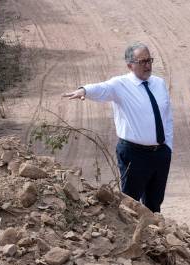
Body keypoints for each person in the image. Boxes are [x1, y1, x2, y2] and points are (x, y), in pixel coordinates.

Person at [62, 43, 173, 213]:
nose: (148, 65)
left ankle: (152, 237)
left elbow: (167, 117)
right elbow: (102, 88)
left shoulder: (159, 83)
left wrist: (168, 147)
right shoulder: (120, 84)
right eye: (142, 61)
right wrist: (84, 90)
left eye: (149, 60)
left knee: (154, 204)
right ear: (130, 65)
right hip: (134, 154)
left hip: (160, 154)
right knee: (130, 203)